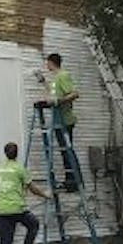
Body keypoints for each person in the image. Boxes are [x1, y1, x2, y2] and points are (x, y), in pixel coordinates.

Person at [0, 142, 52, 244]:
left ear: (5, 153)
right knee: (33, 224)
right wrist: (46, 195)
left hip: (1, 209)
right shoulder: (20, 169)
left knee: (5, 243)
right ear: (17, 153)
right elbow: (32, 189)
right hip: (16, 208)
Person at [44, 53, 80, 192]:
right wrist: (43, 82)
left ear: (52, 62)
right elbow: (55, 95)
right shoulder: (55, 78)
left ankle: (73, 181)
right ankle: (69, 180)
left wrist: (59, 101)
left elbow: (74, 94)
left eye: (47, 63)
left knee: (67, 150)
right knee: (64, 151)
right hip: (59, 120)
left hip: (65, 120)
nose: (46, 65)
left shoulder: (63, 75)